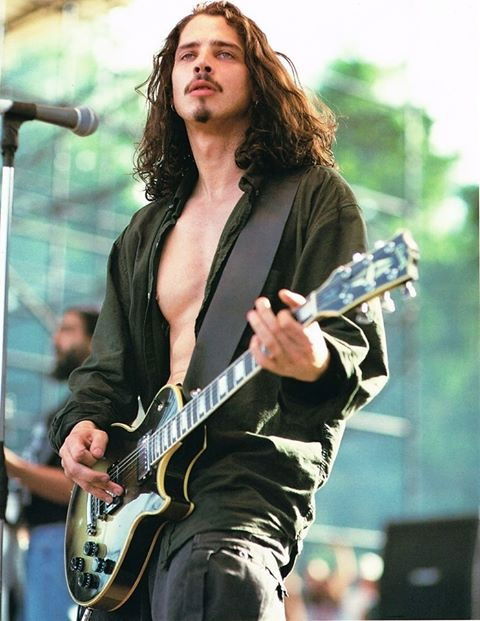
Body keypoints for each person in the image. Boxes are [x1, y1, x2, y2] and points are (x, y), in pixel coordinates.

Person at [49, 3, 389, 620]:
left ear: (258, 81)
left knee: (212, 580)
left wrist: (313, 358)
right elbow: (105, 372)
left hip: (244, 480)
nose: (203, 63)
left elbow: (355, 347)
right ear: (170, 86)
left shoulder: (312, 197)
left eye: (223, 53)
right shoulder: (144, 232)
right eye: (188, 54)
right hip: (133, 496)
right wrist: (81, 425)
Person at [5, 307, 98, 621]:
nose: (56, 339)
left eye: (68, 330)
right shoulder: (62, 411)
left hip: (62, 542)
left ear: (95, 341)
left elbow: (78, 485)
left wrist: (13, 466)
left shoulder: (93, 412)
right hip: (39, 546)